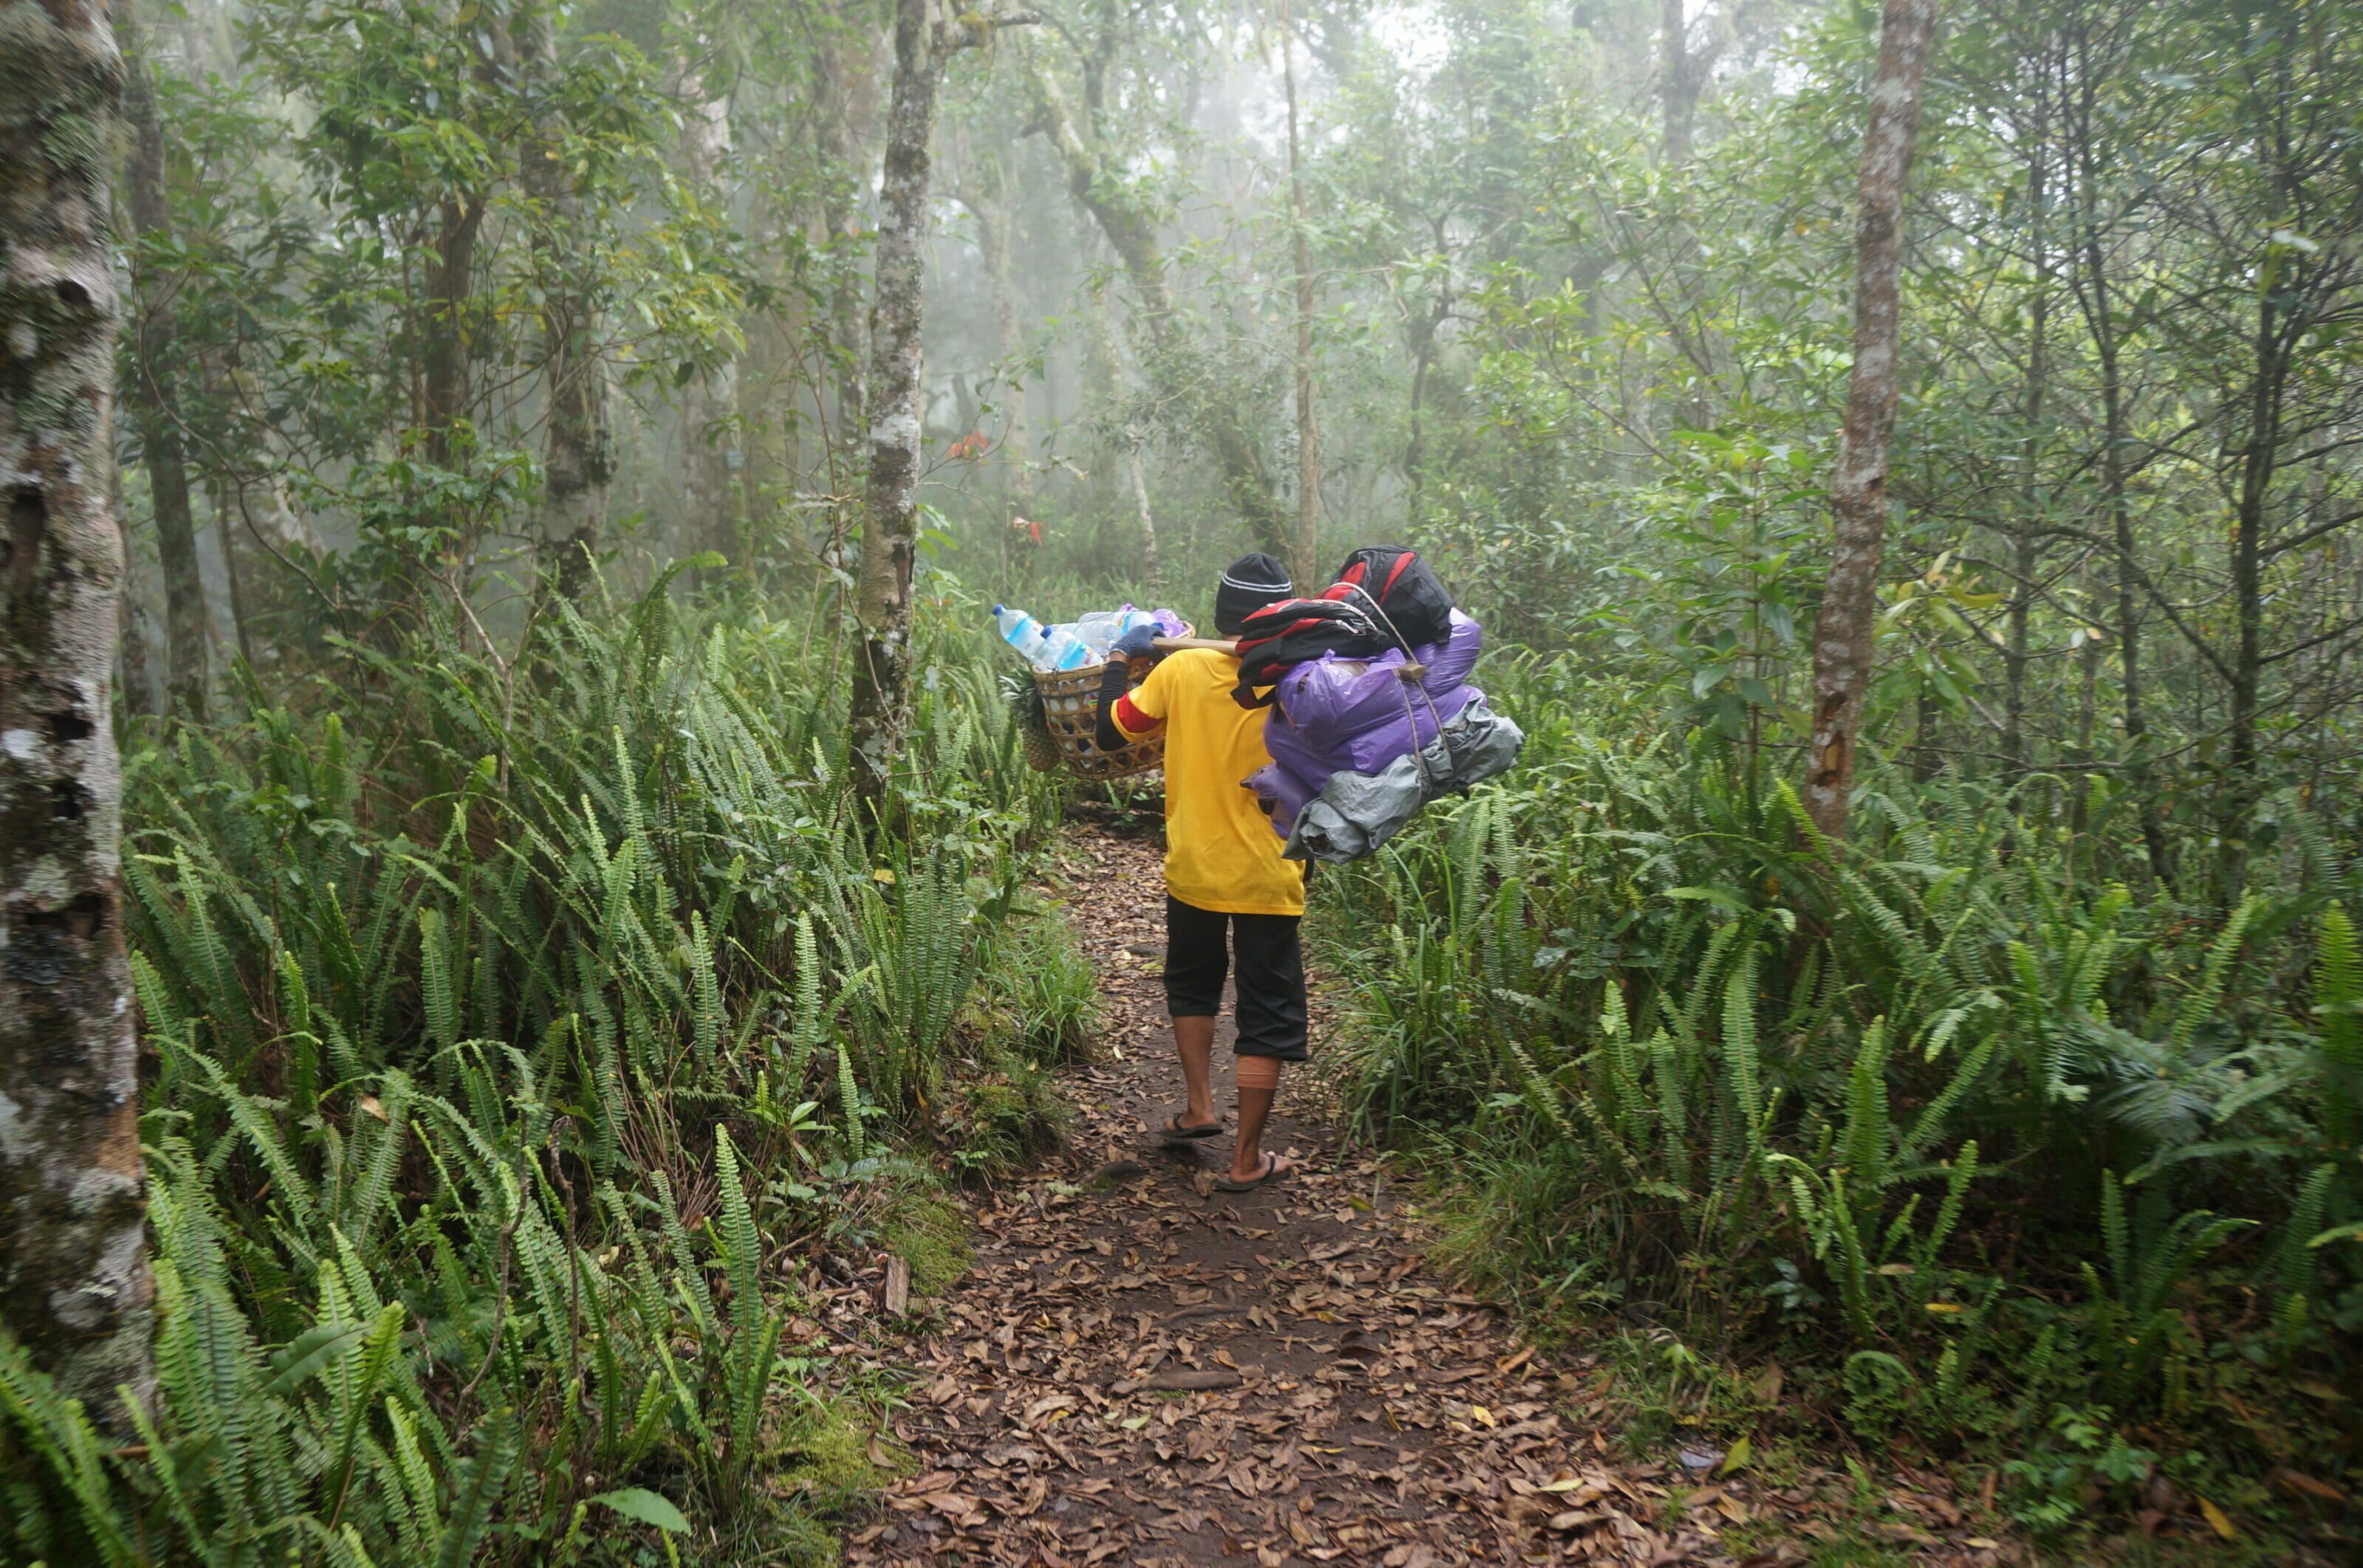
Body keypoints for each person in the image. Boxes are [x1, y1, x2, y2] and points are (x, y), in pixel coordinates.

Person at [1094, 554, 1306, 1191]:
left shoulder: (1182, 668)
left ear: (1220, 615)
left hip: (1195, 866)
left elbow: (1112, 733)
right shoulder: (1305, 681)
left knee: (1193, 981)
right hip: (1274, 869)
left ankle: (1198, 1107)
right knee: (1267, 1008)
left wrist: (1115, 661)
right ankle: (1246, 1158)